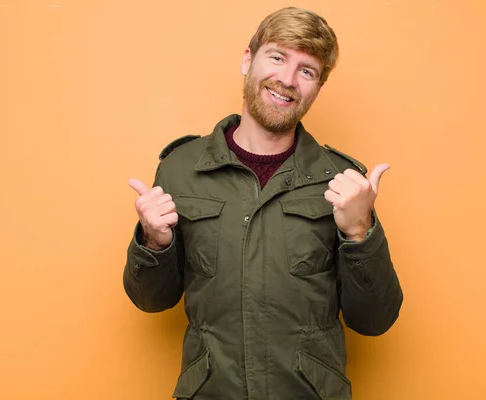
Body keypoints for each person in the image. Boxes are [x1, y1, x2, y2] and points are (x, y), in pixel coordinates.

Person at [124, 6, 403, 400]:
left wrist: (360, 233)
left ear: (317, 87)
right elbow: (151, 301)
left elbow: (375, 321)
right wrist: (154, 243)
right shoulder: (179, 169)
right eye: (277, 57)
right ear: (248, 59)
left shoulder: (342, 182)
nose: (287, 80)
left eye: (307, 71)